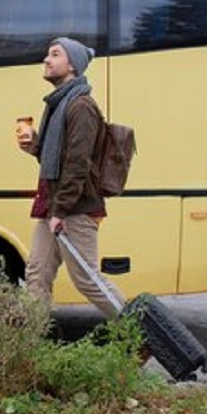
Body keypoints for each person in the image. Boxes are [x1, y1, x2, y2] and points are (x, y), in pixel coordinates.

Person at [18, 37, 122, 317]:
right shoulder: (57, 104)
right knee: (37, 274)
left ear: (73, 65)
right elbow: (60, 159)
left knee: (87, 279)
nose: (46, 59)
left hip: (74, 206)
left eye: (55, 54)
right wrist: (36, 147)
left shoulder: (81, 106)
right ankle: (28, 346)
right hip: (54, 203)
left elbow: (77, 164)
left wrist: (61, 210)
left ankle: (140, 334)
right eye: (47, 54)